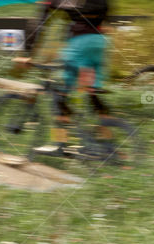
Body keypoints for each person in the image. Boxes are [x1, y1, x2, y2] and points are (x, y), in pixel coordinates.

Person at [21, 0, 112, 153]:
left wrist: (27, 54)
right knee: (91, 91)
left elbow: (39, 23)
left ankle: (60, 144)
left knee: (59, 90)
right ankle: (108, 144)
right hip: (98, 42)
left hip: (79, 44)